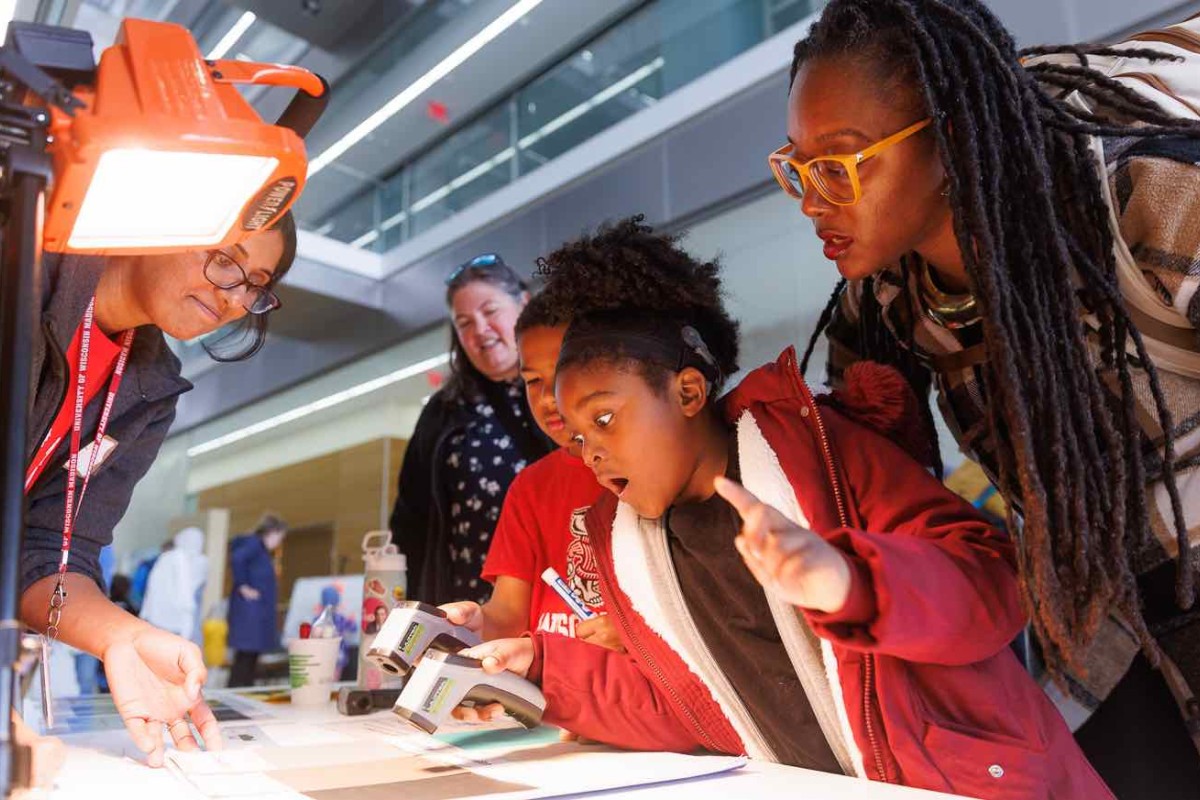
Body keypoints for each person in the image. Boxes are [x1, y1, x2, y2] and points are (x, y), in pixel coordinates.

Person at [458, 226, 1111, 797]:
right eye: (576, 437)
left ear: (687, 390)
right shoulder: (625, 544)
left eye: (604, 418)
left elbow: (991, 577)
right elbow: (685, 705)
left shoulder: (816, 448)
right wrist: (542, 671)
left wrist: (847, 580)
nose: (591, 453)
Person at [777, 2, 1200, 794]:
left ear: (951, 140)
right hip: (1102, 641)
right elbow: (894, 508)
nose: (811, 198)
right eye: (796, 165)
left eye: (839, 162)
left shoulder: (1149, 192)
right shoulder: (885, 301)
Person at [20, 213, 296, 767]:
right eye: (225, 259)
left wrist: (125, 639)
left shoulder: (148, 387)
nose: (232, 296)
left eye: (254, 285)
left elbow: (49, 550)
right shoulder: (24, 280)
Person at [389, 254, 554, 606]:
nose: (479, 329)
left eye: (490, 311)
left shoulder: (564, 391)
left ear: (524, 303)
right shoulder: (443, 412)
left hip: (558, 603)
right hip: (464, 607)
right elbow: (410, 522)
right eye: (464, 322)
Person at [226, 514, 287, 687]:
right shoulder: (253, 544)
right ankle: (238, 690)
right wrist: (243, 585)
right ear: (271, 532)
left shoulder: (260, 551)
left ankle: (243, 689)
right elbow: (237, 558)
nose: (278, 542)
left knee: (250, 658)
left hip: (255, 613)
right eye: (279, 537)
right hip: (249, 614)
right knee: (245, 657)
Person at [140, 527, 209, 644]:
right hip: (175, 617)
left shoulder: (198, 561)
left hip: (164, 617)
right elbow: (184, 591)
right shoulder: (176, 558)